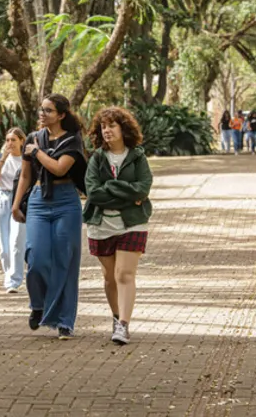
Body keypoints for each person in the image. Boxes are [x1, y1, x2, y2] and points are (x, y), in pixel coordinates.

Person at [11, 94, 87, 340]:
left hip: (66, 200)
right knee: (36, 257)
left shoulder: (72, 141)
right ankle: (38, 305)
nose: (42, 114)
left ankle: (65, 321)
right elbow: (24, 176)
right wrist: (15, 205)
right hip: (38, 200)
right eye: (41, 109)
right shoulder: (33, 138)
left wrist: (36, 152)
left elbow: (58, 168)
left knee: (66, 260)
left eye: (49, 111)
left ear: (62, 115)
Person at [83, 107, 153, 345]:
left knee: (124, 274)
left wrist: (111, 187)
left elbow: (143, 188)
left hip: (132, 223)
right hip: (101, 224)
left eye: (112, 125)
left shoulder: (137, 157)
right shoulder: (96, 159)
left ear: (123, 129)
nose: (107, 130)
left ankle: (123, 325)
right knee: (109, 277)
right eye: (104, 127)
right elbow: (93, 193)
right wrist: (123, 190)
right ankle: (115, 317)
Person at [0, 128, 27, 293]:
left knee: (17, 240)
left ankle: (13, 281)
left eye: (13, 140)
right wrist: (3, 158)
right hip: (2, 199)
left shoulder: (26, 159)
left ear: (21, 141)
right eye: (8, 139)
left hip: (20, 200)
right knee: (4, 245)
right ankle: (9, 274)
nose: (10, 143)